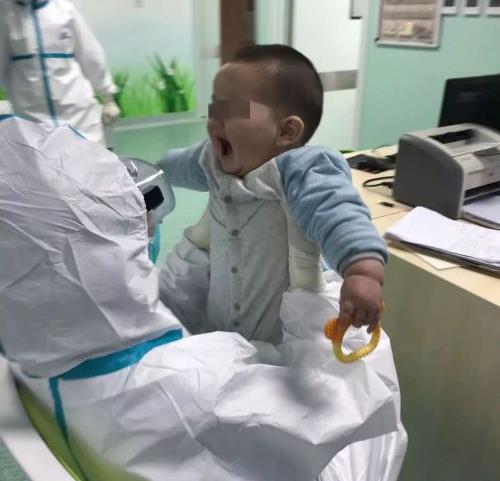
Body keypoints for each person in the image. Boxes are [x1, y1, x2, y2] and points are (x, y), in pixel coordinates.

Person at [0, 116, 404, 481]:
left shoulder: (31, 349)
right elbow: (357, 427)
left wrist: (196, 249)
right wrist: (314, 298)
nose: (148, 224)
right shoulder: (203, 390)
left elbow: (133, 309)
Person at [158, 44, 386, 344]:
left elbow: (338, 212)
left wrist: (363, 271)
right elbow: (174, 166)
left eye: (231, 109)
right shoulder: (212, 161)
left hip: (279, 341)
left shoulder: (301, 171)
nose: (214, 120)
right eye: (215, 107)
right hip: (220, 325)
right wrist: (145, 172)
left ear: (286, 132)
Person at [0, 0, 120, 145]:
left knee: (89, 157)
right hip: (33, 122)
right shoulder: (5, 15)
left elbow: (90, 54)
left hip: (79, 117)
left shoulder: (63, 9)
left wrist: (108, 97)